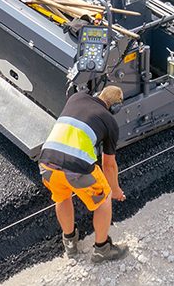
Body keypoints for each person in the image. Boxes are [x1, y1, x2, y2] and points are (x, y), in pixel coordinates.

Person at [37, 84, 128, 262]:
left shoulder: (76, 98)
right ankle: (102, 249)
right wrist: (115, 190)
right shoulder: (109, 121)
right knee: (104, 198)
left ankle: (70, 244)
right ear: (116, 107)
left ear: (98, 94)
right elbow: (108, 165)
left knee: (62, 197)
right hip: (76, 169)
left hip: (46, 163)